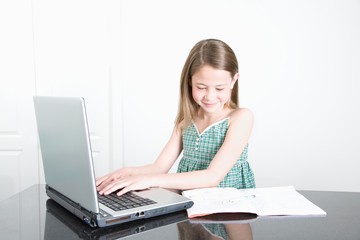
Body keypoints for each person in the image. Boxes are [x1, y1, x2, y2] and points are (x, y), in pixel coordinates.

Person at [96, 38, 256, 196]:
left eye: (219, 88)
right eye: (201, 87)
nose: (210, 96)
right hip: (191, 208)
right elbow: (159, 168)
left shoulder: (241, 118)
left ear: (234, 80)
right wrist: (128, 172)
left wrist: (149, 180)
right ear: (190, 81)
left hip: (230, 209)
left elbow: (212, 177)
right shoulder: (186, 120)